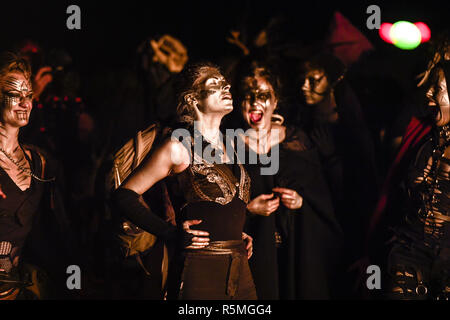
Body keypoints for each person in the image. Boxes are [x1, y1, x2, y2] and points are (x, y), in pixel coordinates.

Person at [112, 62, 256, 300]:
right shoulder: (178, 147)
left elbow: (224, 206)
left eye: (225, 82)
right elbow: (124, 195)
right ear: (192, 99)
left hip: (240, 268)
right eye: (214, 84)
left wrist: (235, 233)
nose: (226, 85)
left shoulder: (231, 146)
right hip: (199, 270)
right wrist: (171, 233)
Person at [232, 61, 343, 299]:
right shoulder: (228, 146)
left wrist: (302, 202)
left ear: (275, 101)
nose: (255, 101)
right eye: (248, 95)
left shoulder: (297, 141)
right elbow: (216, 203)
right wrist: (248, 210)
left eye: (263, 95)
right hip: (255, 256)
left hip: (296, 254)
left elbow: (325, 199)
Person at [365, 34, 450, 300]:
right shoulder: (422, 131)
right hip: (408, 250)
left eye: (438, 88)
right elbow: (390, 191)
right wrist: (369, 251)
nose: (429, 94)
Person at [0, 52, 69, 299]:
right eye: (15, 96)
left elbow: (53, 231)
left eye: (28, 96)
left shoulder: (39, 161)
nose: (25, 103)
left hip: (15, 289)